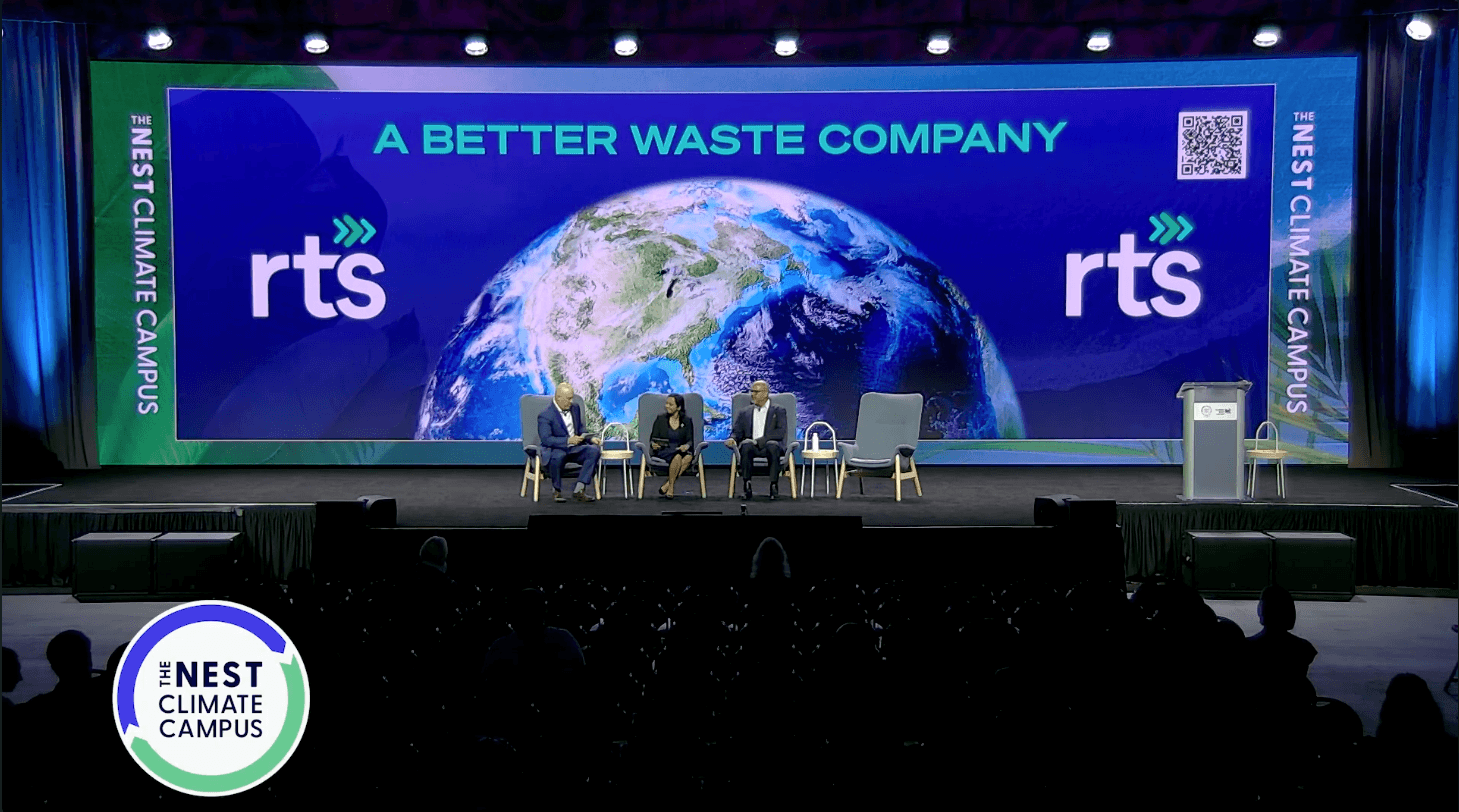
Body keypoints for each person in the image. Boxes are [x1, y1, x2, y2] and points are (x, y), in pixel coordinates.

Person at [537, 382, 601, 503]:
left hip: (575, 448)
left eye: (572, 398)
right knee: (558, 456)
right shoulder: (545, 415)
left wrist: (590, 439)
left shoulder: (575, 408)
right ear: (558, 398)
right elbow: (546, 439)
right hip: (556, 449)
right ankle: (557, 490)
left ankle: (579, 489)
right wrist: (567, 440)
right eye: (568, 399)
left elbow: (580, 429)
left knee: (594, 451)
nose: (571, 401)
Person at [725, 380, 788, 500]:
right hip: (751, 446)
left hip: (771, 446)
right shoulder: (745, 412)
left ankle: (773, 485)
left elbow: (780, 432)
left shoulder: (778, 410)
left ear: (765, 393)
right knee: (746, 445)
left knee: (773, 445)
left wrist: (759, 441)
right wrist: (732, 439)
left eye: (756, 392)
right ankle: (747, 485)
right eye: (751, 391)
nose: (752, 395)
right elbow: (737, 432)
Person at [649, 393, 694, 498]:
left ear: (678, 407)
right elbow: (653, 438)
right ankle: (671, 488)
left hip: (680, 449)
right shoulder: (660, 419)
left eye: (670, 404)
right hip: (664, 450)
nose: (667, 406)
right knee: (678, 456)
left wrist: (686, 446)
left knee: (688, 456)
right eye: (667, 403)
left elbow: (690, 441)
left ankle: (667, 485)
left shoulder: (686, 421)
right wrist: (653, 444)